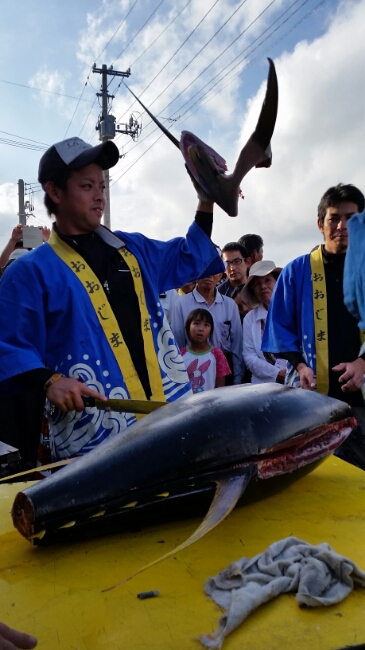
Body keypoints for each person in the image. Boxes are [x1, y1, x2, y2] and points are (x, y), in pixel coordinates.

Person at [0, 136, 224, 461]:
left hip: (172, 420)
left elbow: (190, 255)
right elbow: (9, 345)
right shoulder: (29, 272)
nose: (99, 196)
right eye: (87, 186)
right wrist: (49, 381)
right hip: (93, 441)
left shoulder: (133, 249)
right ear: (55, 192)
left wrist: (206, 198)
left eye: (102, 187)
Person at [262, 183, 365, 468]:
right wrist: (300, 366)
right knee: (314, 472)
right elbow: (281, 326)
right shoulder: (297, 271)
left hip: (361, 395)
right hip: (312, 393)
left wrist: (362, 363)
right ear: (321, 224)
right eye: (334, 218)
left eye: (352, 218)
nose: (342, 226)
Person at [171, 273, 244, 384]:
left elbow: (237, 346)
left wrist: (237, 379)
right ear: (196, 272)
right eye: (205, 270)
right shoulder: (181, 305)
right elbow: (178, 344)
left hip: (225, 371)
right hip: (190, 369)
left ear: (220, 275)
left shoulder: (230, 305)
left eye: (214, 271)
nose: (209, 275)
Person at [241, 260, 286, 384]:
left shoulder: (294, 310)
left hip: (297, 380)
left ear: (278, 282)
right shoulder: (250, 319)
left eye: (268, 280)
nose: (263, 287)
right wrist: (276, 374)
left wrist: (292, 372)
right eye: (257, 284)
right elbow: (249, 357)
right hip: (263, 386)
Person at [180, 308, 231, 392]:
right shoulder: (180, 354)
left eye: (206, 325)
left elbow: (221, 389)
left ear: (211, 331)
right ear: (187, 328)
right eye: (196, 324)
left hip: (210, 403)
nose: (201, 329)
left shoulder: (217, 354)